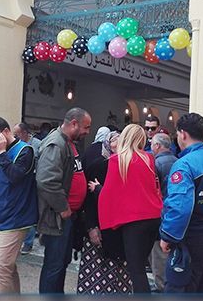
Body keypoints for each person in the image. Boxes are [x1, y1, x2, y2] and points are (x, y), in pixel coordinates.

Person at [159, 113, 203, 293]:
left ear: (182, 134)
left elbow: (180, 207)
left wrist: (168, 236)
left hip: (189, 243)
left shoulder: (184, 165)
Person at [98, 124, 163, 294]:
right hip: (153, 217)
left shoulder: (117, 160)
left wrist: (98, 190)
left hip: (134, 221)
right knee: (140, 266)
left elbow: (110, 192)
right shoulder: (148, 158)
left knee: (137, 270)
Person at [0, 116, 37, 294]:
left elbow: (15, 177)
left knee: (1, 270)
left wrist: (2, 153)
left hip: (14, 219)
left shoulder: (25, 151)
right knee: (7, 269)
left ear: (4, 132)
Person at [36, 107, 92, 294]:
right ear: (74, 124)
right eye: (86, 127)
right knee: (54, 264)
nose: (87, 132)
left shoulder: (68, 143)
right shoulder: (56, 144)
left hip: (68, 216)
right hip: (57, 217)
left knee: (61, 263)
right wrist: (62, 207)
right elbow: (46, 180)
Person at [76, 130, 133, 294]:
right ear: (108, 143)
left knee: (120, 276)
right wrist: (91, 226)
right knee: (97, 275)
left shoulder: (129, 167)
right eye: (115, 140)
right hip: (100, 227)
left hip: (121, 230)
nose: (118, 144)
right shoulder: (98, 166)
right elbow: (89, 201)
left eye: (121, 140)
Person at [149, 133, 177, 292]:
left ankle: (162, 289)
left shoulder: (156, 164)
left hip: (160, 215)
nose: (151, 147)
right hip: (174, 215)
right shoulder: (178, 161)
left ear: (158, 146)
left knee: (159, 258)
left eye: (152, 144)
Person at [13, 122, 42, 255]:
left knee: (30, 210)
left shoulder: (37, 144)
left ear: (24, 133)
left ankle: (28, 242)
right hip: (21, 183)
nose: (15, 136)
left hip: (34, 181)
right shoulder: (15, 145)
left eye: (17, 134)